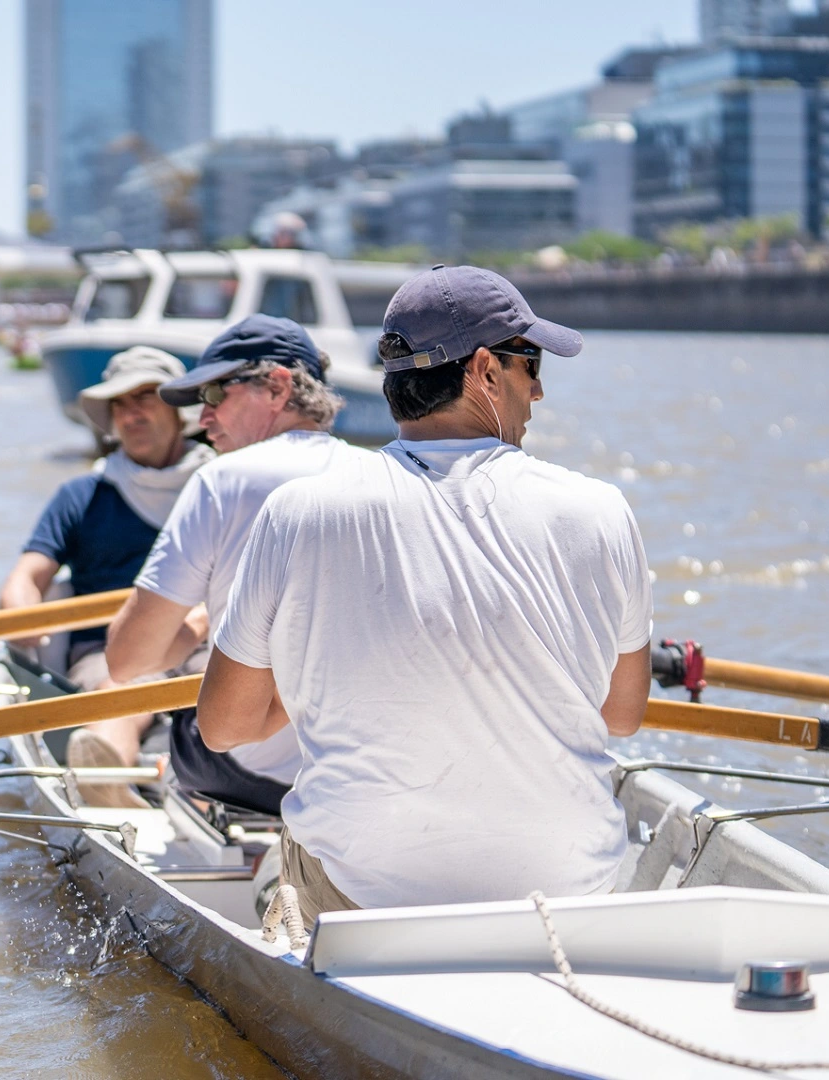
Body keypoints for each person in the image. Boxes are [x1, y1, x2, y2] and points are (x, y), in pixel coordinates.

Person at [199, 265, 652, 932]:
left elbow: (226, 726)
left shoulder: (297, 511)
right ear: (486, 373)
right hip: (568, 892)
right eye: (529, 365)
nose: (541, 390)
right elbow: (620, 714)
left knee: (277, 869)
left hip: (367, 896)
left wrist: (323, 681)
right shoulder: (601, 510)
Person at [103, 315, 361, 816]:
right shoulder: (384, 473)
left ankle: (178, 798)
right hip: (361, 769)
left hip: (256, 774)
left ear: (278, 386)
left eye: (217, 394)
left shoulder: (220, 480)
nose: (203, 419)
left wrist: (199, 620)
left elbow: (126, 661)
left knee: (172, 702)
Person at [0, 347, 215, 806]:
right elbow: (26, 579)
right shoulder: (81, 495)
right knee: (121, 685)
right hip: (110, 653)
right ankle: (107, 785)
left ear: (180, 412)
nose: (130, 414)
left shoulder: (222, 484)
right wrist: (23, 616)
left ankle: (221, 805)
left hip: (204, 643)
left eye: (144, 398)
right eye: (119, 404)